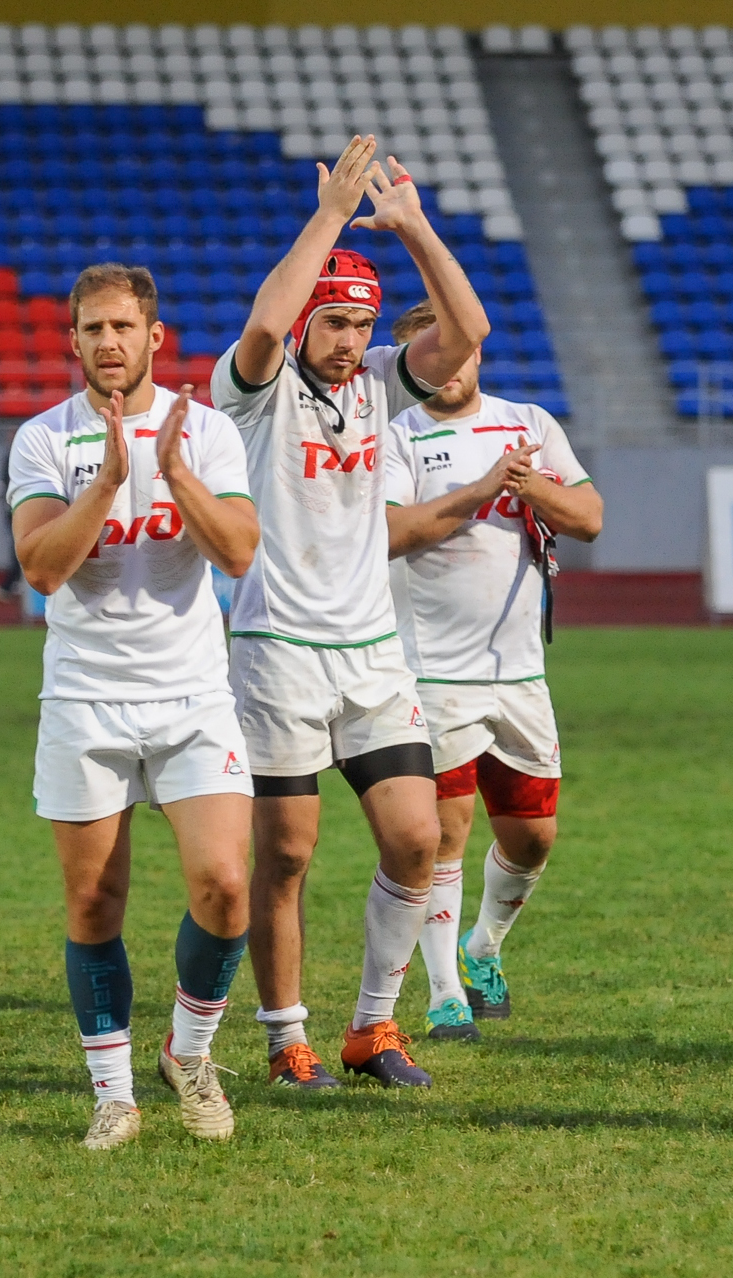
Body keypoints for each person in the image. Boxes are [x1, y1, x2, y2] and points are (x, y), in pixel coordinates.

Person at [211, 135, 490, 1090]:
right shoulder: (251, 394)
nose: (342, 338)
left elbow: (468, 330)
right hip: (277, 654)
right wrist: (330, 215)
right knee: (286, 856)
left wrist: (411, 226)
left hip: (372, 654)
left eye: (354, 322)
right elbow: (260, 326)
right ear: (305, 325)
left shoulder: (378, 383)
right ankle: (287, 1037)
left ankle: (374, 1028)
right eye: (329, 320)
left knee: (416, 838)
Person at [8, 264, 258, 1150]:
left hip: (193, 694)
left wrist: (173, 472)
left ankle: (189, 1057)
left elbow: (236, 554)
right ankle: (113, 1094)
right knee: (92, 904)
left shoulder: (211, 434)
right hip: (85, 698)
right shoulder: (44, 439)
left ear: (155, 336)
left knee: (228, 890)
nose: (106, 343)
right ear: (72, 340)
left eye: (122, 327)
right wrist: (108, 482)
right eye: (90, 330)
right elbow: (40, 569)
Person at [381, 300, 602, 1038]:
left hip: (521, 675)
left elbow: (589, 514)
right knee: (445, 832)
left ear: (478, 354)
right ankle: (443, 991)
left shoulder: (530, 424)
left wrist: (527, 485)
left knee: (533, 837)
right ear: (412, 365)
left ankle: (484, 949)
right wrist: (478, 492)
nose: (448, 366)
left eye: (458, 350)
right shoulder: (398, 434)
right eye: (429, 356)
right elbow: (387, 534)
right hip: (432, 672)